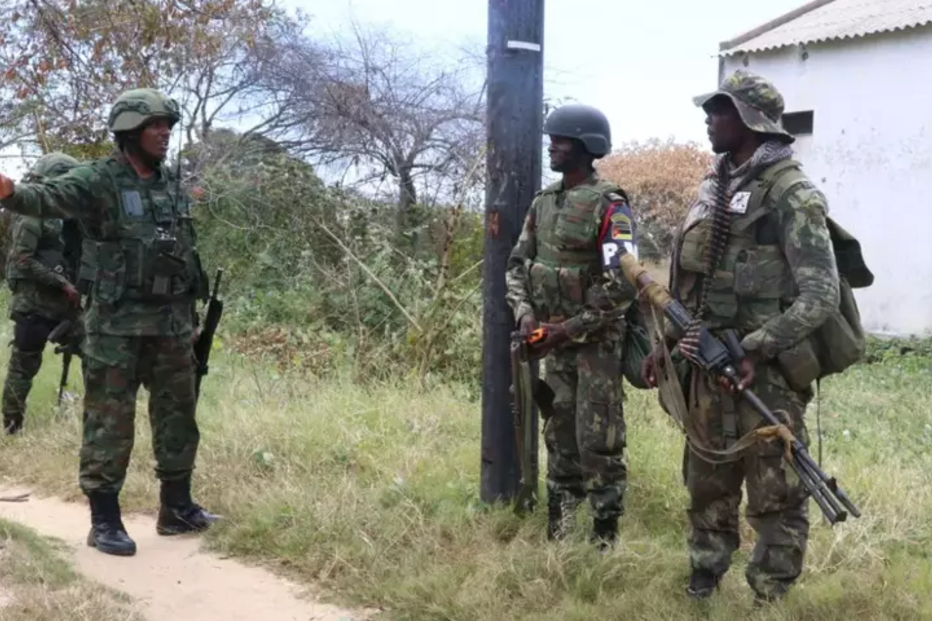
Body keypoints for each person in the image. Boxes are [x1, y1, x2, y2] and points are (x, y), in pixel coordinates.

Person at [641, 69, 841, 603]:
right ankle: (704, 580)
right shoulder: (713, 189)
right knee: (706, 478)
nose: (709, 119)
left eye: (720, 110)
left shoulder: (792, 194)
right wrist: (666, 347)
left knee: (776, 489)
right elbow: (692, 285)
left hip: (765, 374)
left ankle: (770, 596)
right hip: (707, 364)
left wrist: (756, 347)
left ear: (751, 120)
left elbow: (820, 295)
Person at [0, 88, 219, 557]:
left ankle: (177, 509)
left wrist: (191, 319)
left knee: (178, 417)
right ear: (129, 132)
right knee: (109, 421)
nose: (164, 133)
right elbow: (48, 197)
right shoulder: (97, 180)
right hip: (115, 326)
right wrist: (11, 191)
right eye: (154, 125)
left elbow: (182, 254)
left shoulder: (170, 183)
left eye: (167, 125)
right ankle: (105, 521)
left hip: (171, 324)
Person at [505, 103, 639, 550]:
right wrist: (525, 314)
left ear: (586, 146)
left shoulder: (611, 206)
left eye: (560, 140)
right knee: (559, 435)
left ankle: (604, 540)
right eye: (551, 139)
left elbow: (622, 285)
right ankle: (559, 532)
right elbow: (518, 265)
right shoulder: (543, 203)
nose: (552, 147)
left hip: (596, 347)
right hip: (552, 343)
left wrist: (570, 329)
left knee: (598, 441)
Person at [1, 153, 82, 434]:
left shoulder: (67, 216)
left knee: (95, 353)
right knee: (24, 364)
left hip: (65, 304)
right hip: (34, 304)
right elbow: (21, 258)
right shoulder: (32, 213)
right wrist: (61, 283)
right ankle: (12, 426)